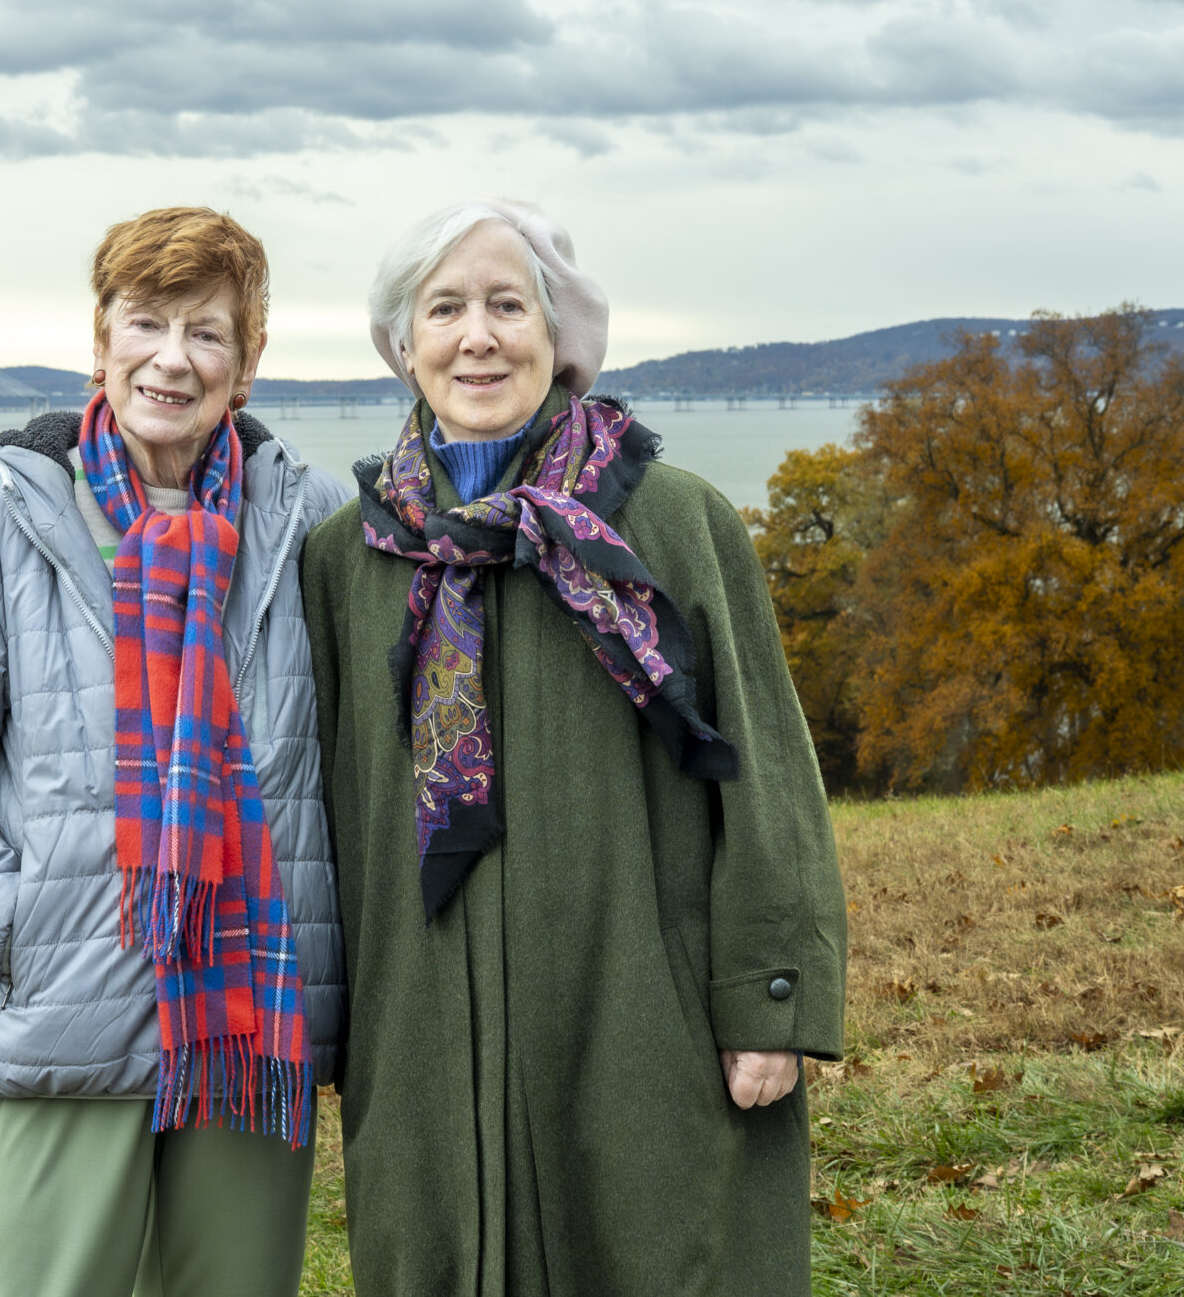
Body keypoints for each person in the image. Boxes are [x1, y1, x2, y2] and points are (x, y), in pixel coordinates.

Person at [300, 198, 848, 1297]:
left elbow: (770, 779)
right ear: (402, 345)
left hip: (647, 1017)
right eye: (444, 308)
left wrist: (769, 1003)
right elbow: (317, 817)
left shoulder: (674, 524)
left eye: (508, 304)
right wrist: (326, 1025)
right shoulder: (346, 559)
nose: (478, 336)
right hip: (423, 1041)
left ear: (561, 340)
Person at [0, 206, 350, 1297]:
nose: (173, 359)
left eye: (208, 332)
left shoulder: (316, 522)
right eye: (146, 322)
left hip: (251, 1032)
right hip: (67, 1013)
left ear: (249, 362)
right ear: (100, 340)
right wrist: (14, 925)